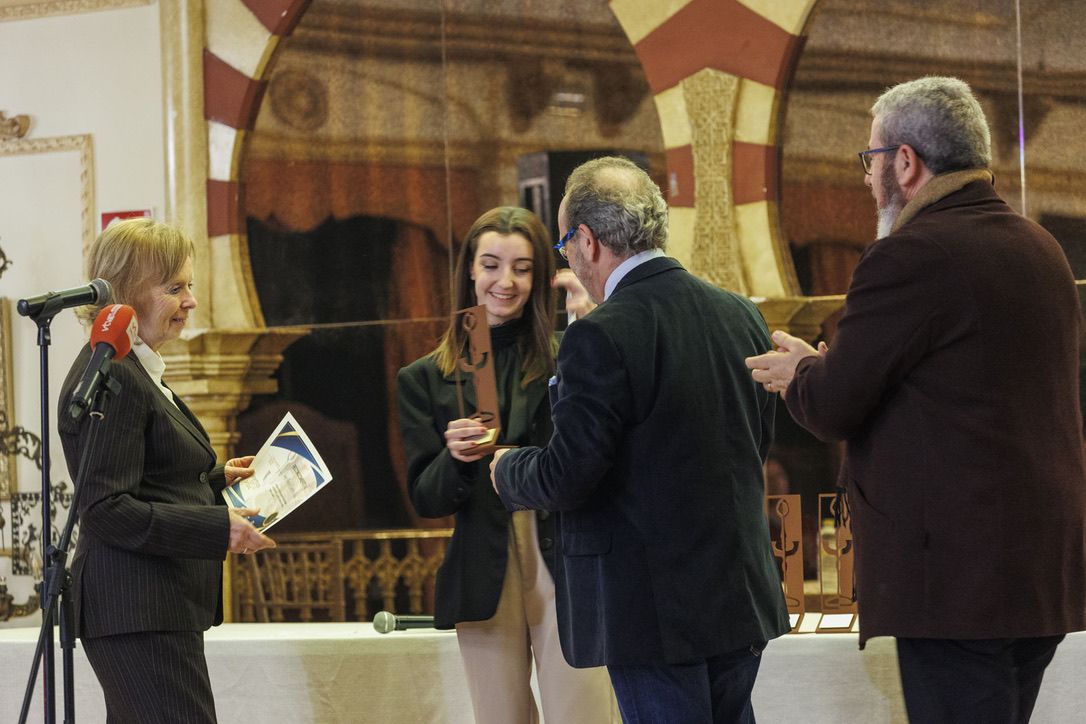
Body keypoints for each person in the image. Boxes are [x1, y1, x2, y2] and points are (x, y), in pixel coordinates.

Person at [746, 76, 1086, 723]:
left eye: (869, 160)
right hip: (1041, 572)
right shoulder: (1042, 250)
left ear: (905, 162)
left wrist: (801, 371)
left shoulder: (910, 255)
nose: (866, 179)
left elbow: (836, 403)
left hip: (957, 582)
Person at [488, 157, 789, 723]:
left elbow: (568, 474)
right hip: (739, 593)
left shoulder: (600, 334)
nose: (570, 261)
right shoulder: (740, 315)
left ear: (587, 239)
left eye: (564, 247)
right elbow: (756, 443)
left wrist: (507, 469)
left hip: (651, 609)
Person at [396, 206, 616, 724]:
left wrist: (591, 334)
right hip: (485, 566)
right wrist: (455, 458)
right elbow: (427, 498)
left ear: (540, 275)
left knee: (583, 714)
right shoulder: (425, 377)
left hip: (570, 556)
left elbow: (603, 451)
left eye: (521, 268)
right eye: (491, 265)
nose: (505, 281)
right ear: (469, 271)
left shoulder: (572, 354)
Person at [57, 218, 275, 723]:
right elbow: (108, 509)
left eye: (189, 286)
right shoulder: (114, 376)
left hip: (151, 608)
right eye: (175, 287)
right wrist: (217, 527)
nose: (190, 301)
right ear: (127, 294)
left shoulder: (137, 370)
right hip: (136, 609)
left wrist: (217, 479)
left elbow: (146, 479)